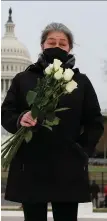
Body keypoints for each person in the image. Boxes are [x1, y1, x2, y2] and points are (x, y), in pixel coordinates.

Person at [1, 22, 104, 221]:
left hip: (67, 166)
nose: (57, 46)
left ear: (70, 48)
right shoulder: (23, 79)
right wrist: (20, 118)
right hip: (31, 165)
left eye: (62, 43)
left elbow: (95, 122)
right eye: (51, 42)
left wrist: (81, 150)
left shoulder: (80, 82)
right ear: (42, 46)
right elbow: (6, 112)